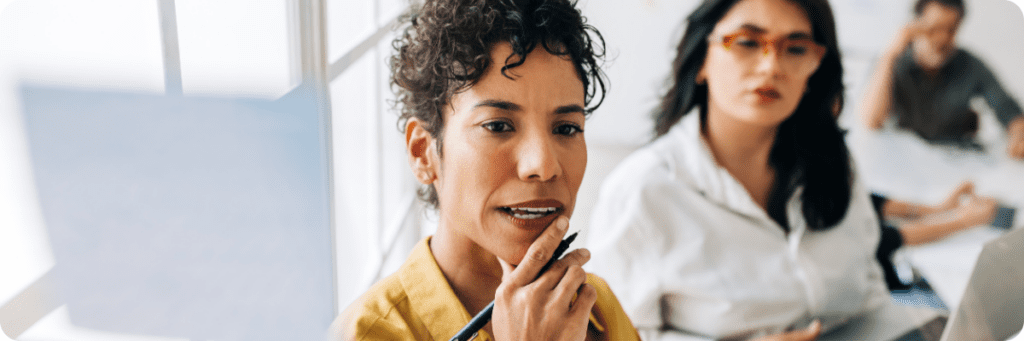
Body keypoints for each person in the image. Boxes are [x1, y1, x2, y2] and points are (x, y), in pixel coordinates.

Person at [329, 0, 640, 340]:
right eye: (498, 126)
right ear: (423, 153)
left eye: (566, 128)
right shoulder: (365, 333)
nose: (544, 166)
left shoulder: (597, 307)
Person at [585, 0, 889, 340]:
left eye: (796, 48)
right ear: (702, 60)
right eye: (747, 42)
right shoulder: (644, 189)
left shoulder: (835, 162)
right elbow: (614, 334)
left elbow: (871, 297)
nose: (772, 66)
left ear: (816, 66)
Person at [860, 0, 1024, 159]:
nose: (942, 39)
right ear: (915, 25)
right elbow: (871, 120)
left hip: (954, 160)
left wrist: (1018, 135)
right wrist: (891, 54)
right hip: (904, 160)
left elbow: (1008, 108)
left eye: (951, 30)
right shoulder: (892, 61)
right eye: (934, 29)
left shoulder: (970, 65)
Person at [872, 181, 1000, 289]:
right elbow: (888, 240)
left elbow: (871, 203)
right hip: (889, 280)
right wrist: (964, 221)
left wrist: (939, 209)